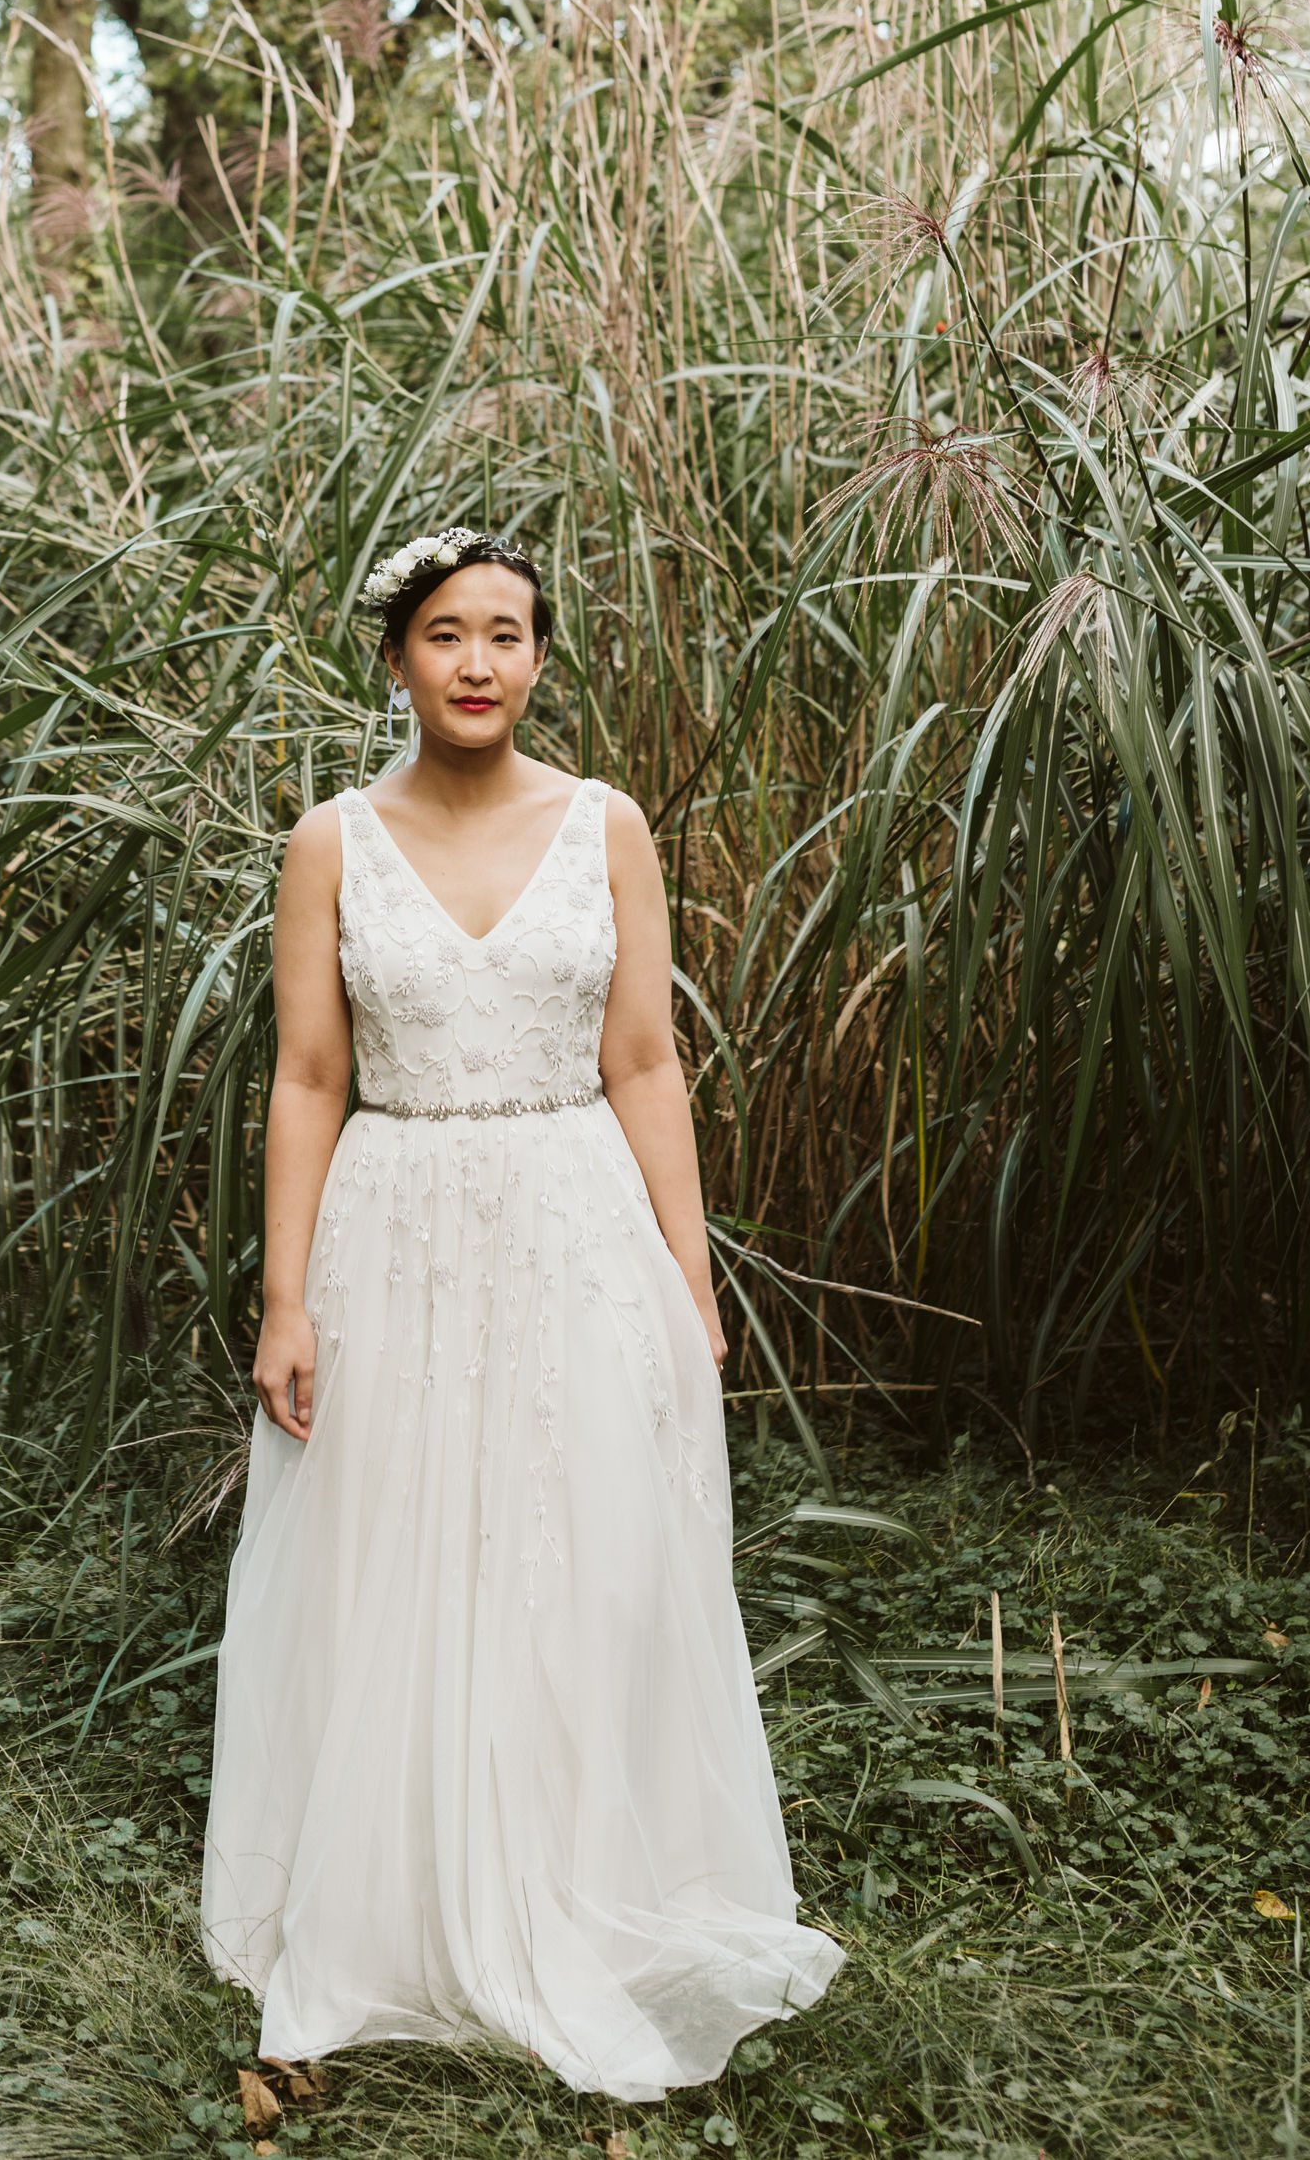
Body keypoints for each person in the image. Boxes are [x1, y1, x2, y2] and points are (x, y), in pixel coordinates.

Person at [202, 525, 842, 2101]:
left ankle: (582, 1886)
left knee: (584, 1563)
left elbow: (643, 1063)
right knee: (402, 1559)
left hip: (575, 1227)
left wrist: (690, 1278)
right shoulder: (330, 842)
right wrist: (286, 1297)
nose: (478, 662)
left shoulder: (605, 825)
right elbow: (306, 1076)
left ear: (540, 657)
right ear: (397, 656)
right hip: (396, 1227)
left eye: (506, 633)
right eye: (444, 634)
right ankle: (400, 1910)